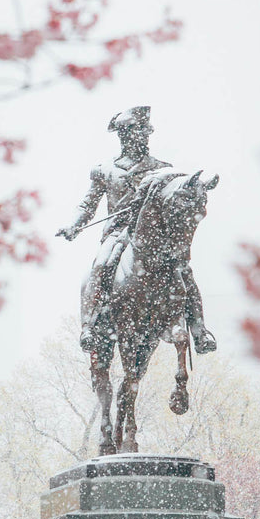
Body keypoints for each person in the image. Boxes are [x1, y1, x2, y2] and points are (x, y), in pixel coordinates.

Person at [58, 105, 217, 354]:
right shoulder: (105, 170)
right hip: (117, 233)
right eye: (132, 132)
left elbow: (178, 195)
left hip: (153, 237)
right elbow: (87, 204)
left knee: (185, 271)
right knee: (101, 264)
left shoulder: (162, 168)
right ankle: (89, 326)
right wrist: (73, 225)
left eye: (143, 132)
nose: (139, 137)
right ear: (122, 135)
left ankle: (199, 331)